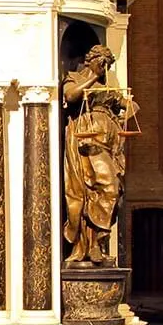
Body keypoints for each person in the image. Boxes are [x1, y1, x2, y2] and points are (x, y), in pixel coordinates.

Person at [62, 45, 138, 265]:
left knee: (111, 189)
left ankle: (99, 243)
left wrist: (128, 107)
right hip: (87, 137)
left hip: (109, 139)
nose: (105, 68)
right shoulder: (74, 77)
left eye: (108, 65)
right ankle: (88, 244)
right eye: (102, 62)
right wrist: (94, 77)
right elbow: (71, 96)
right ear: (91, 60)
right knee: (97, 188)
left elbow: (131, 106)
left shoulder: (108, 87)